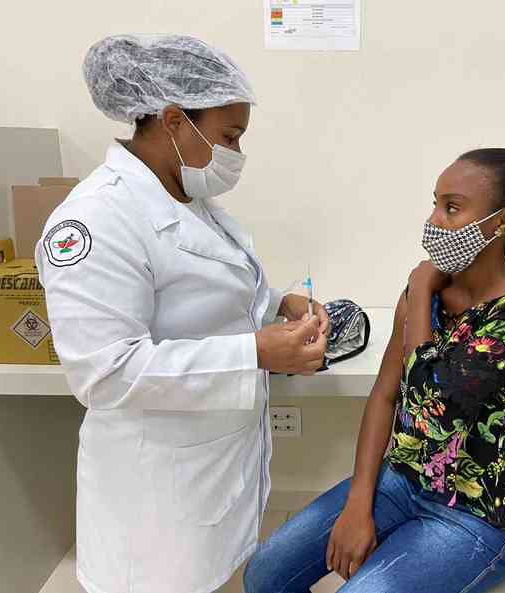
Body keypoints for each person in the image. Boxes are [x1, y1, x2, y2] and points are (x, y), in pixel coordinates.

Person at [36, 35, 329, 593]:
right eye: (229, 136)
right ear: (174, 120)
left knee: (209, 571)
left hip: (209, 471)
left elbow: (199, 294)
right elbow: (105, 372)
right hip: (152, 495)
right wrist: (256, 351)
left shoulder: (185, 198)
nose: (237, 153)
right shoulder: (97, 221)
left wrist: (277, 304)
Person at [243, 148, 505, 593]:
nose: (434, 219)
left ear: (503, 222)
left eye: (452, 207)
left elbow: (433, 401)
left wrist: (419, 293)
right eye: (435, 202)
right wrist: (360, 500)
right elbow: (385, 394)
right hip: (400, 481)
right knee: (264, 574)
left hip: (477, 515)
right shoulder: (431, 291)